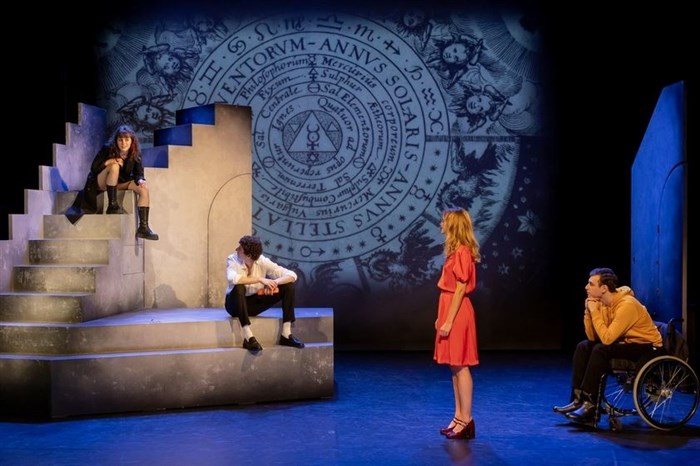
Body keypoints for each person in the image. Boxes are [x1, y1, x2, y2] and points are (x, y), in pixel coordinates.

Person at [553, 267, 663, 424]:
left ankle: (590, 405)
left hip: (647, 347)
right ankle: (578, 399)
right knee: (584, 346)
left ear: (604, 288)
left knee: (601, 349)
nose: (586, 287)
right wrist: (588, 312)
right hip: (628, 343)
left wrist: (594, 312)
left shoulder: (627, 305)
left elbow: (607, 339)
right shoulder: (604, 304)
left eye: (591, 284)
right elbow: (592, 337)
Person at [66, 124, 159, 240]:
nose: (123, 143)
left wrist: (140, 180)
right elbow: (94, 168)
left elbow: (138, 173)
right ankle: (112, 205)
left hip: (119, 183)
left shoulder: (135, 152)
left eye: (126, 140)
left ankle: (143, 228)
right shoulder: (107, 148)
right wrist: (109, 161)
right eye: (120, 140)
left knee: (144, 188)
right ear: (116, 141)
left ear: (132, 141)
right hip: (101, 182)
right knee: (114, 166)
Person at [434, 208, 480, 440]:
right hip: (449, 307)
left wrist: (449, 320)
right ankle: (458, 416)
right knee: (454, 366)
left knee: (461, 365)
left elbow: (461, 288)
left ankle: (467, 419)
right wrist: (441, 317)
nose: (441, 224)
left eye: (444, 221)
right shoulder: (455, 251)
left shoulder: (462, 251)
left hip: (458, 310)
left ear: (453, 225)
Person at [224, 235, 305, 352]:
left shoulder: (262, 261)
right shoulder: (232, 259)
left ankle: (286, 334)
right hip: (234, 305)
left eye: (240, 249)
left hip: (253, 304)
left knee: (288, 286)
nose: (236, 249)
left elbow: (292, 275)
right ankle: (248, 337)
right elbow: (233, 278)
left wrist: (274, 283)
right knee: (239, 287)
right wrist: (261, 279)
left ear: (249, 255)